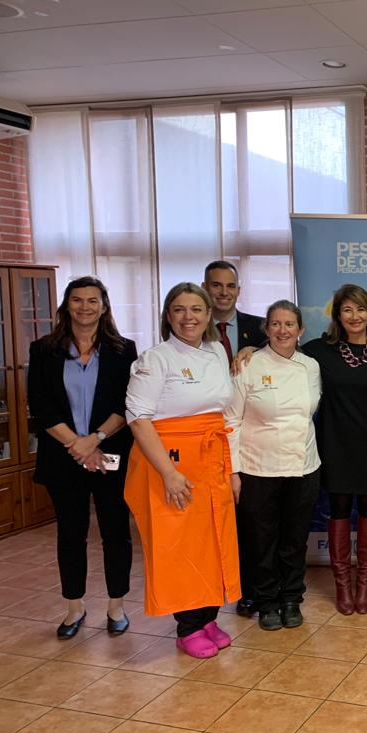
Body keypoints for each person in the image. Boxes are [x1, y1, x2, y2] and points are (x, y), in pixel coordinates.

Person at [125, 282, 240, 659]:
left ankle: (207, 617)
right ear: (167, 316)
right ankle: (187, 626)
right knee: (178, 546)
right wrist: (169, 474)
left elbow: (224, 412)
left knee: (212, 541)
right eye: (179, 309)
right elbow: (138, 420)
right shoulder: (155, 359)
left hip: (211, 460)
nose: (188, 317)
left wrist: (231, 469)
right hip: (169, 463)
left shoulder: (216, 353)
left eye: (196, 309)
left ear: (209, 315)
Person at [27, 277, 137, 638]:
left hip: (110, 454)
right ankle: (74, 607)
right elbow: (40, 407)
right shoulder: (44, 349)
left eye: (93, 300)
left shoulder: (124, 351)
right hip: (64, 457)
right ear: (66, 305)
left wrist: (95, 439)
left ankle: (116, 606)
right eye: (78, 300)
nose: (85, 307)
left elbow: (129, 403)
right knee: (70, 534)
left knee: (115, 532)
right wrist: (77, 444)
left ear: (104, 306)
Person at [303, 284, 367, 615]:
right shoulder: (319, 350)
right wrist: (249, 352)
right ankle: (342, 586)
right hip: (335, 444)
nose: (354, 316)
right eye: (347, 310)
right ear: (337, 315)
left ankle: (364, 584)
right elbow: (280, 353)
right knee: (338, 509)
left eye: (360, 309)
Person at [225, 300, 321, 631]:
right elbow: (231, 422)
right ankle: (266, 600)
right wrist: (233, 471)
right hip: (257, 469)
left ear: (300, 330)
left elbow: (310, 414)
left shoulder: (310, 366)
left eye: (289, 324)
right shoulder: (247, 365)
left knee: (295, 539)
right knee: (261, 539)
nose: (283, 330)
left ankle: (291, 598)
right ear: (266, 329)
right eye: (276, 324)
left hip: (304, 467)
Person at [203, 260, 266, 618]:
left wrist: (255, 350)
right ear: (206, 287)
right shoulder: (192, 327)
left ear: (239, 291)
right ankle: (211, 590)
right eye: (216, 285)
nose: (223, 292)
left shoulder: (259, 329)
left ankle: (248, 590)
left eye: (230, 286)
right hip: (206, 433)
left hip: (248, 438)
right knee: (211, 520)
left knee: (248, 519)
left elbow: (284, 357)